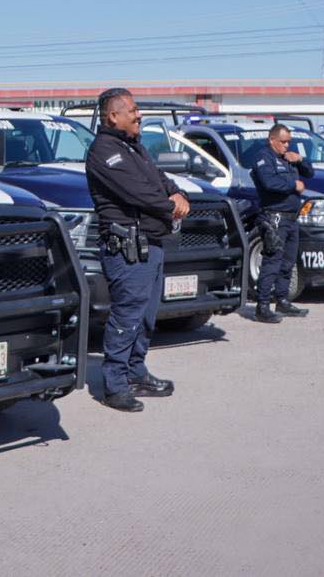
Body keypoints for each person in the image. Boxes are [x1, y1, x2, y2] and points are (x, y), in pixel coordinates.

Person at [85, 88, 190, 412]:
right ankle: (115, 385)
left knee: (145, 317)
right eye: (132, 110)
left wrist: (178, 192)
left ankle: (136, 372)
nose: (139, 115)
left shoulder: (134, 148)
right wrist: (171, 207)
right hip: (128, 250)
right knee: (127, 316)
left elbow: (159, 179)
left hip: (150, 247)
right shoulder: (105, 152)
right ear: (113, 116)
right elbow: (139, 194)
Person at [250, 124, 312, 323]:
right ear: (272, 140)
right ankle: (263, 305)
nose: (287, 145)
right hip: (274, 217)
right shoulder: (264, 158)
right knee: (272, 261)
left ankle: (282, 300)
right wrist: (293, 185)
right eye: (283, 142)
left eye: (289, 142)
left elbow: (310, 173)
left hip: (291, 218)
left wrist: (300, 159)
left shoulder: (288, 158)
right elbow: (269, 183)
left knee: (288, 261)